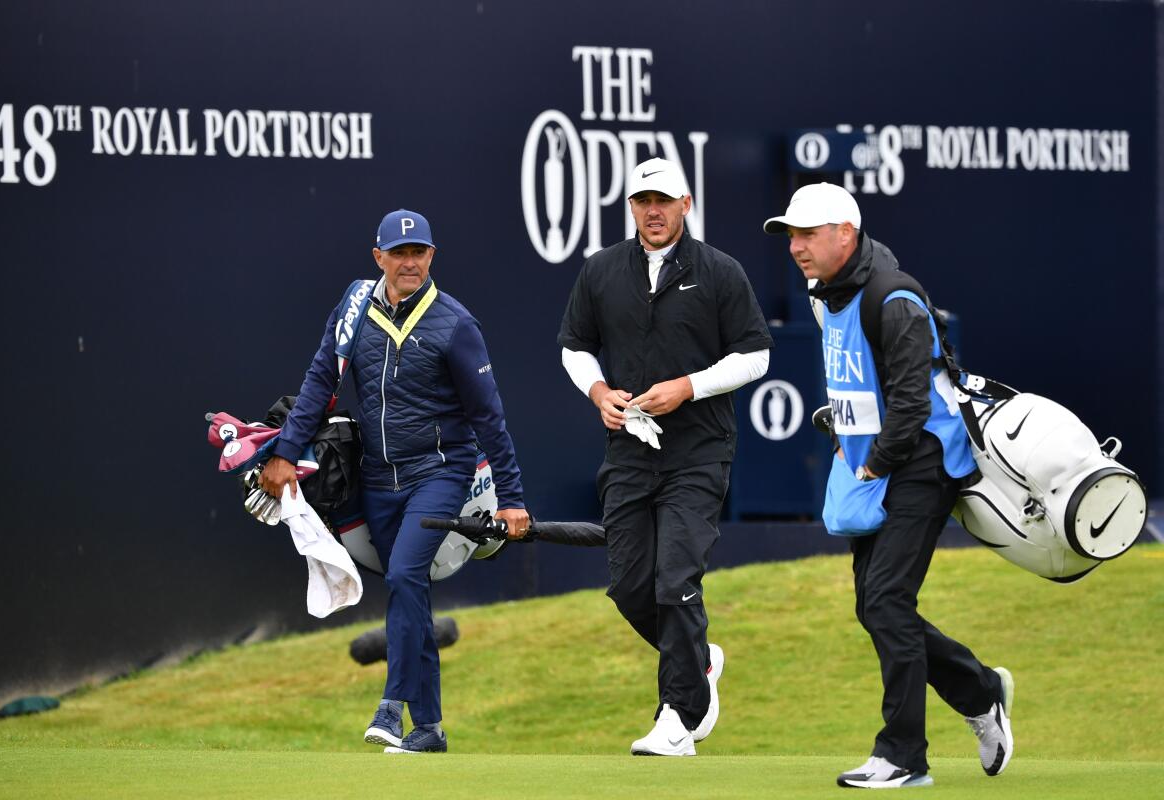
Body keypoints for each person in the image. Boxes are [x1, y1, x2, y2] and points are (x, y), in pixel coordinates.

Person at [764, 183, 1014, 788]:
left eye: (808, 234)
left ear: (845, 234)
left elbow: (909, 402)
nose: (796, 246)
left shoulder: (892, 296)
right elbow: (862, 383)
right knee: (872, 606)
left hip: (923, 463)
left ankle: (903, 756)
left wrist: (874, 461)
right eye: (791, 235)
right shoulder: (827, 292)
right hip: (875, 462)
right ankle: (980, 690)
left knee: (886, 602)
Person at [260, 209, 531, 754]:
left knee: (407, 574)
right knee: (410, 592)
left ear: (432, 257)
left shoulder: (456, 323)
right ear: (378, 256)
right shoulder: (355, 306)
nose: (410, 263)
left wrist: (514, 499)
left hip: (440, 472)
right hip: (378, 477)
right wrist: (284, 451)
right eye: (399, 254)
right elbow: (320, 380)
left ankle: (391, 705)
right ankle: (428, 727)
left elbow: (489, 418)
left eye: (419, 253)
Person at [557, 158, 774, 756]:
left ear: (684, 202)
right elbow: (575, 346)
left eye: (662, 200)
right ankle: (700, 659)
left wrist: (688, 386)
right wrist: (599, 391)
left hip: (699, 451)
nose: (652, 211)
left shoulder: (719, 272)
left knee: (675, 581)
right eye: (640, 201)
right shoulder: (602, 271)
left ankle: (678, 715)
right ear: (630, 207)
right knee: (631, 589)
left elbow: (756, 355)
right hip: (628, 450)